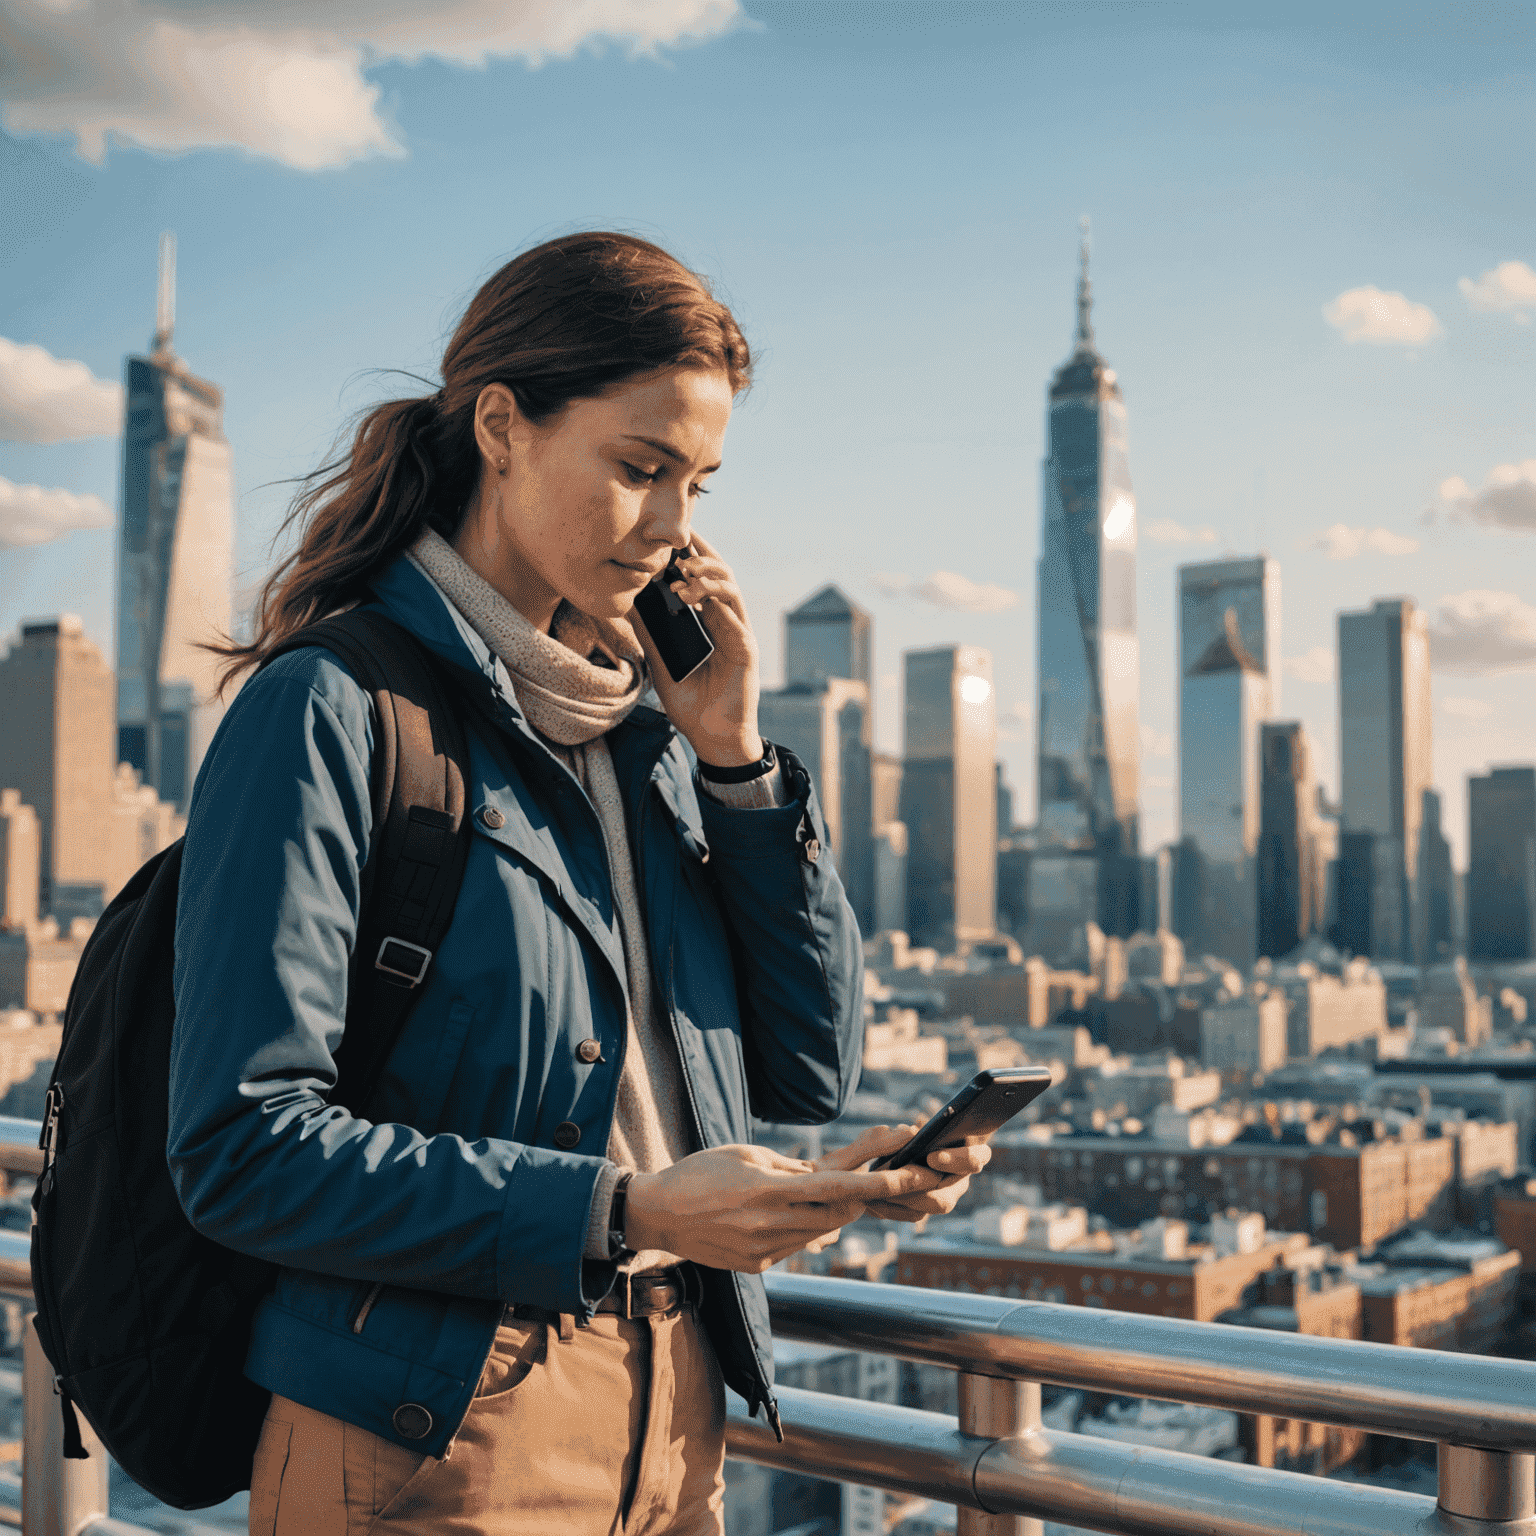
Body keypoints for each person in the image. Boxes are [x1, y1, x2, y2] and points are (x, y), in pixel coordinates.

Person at [168, 231, 987, 1536]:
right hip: (426, 1438)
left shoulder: (650, 739)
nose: (673, 529)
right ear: (503, 426)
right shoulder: (332, 707)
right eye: (640, 468)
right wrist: (627, 1209)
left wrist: (733, 759)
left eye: (700, 486)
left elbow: (810, 1067)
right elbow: (244, 1149)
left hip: (677, 1420)